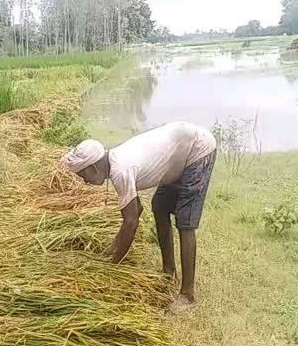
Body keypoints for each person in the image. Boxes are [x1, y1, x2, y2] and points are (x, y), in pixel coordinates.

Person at [62, 122, 217, 313]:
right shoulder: (115, 162)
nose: (84, 181)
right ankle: (169, 272)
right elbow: (137, 209)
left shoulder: (120, 170)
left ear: (93, 167)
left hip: (197, 150)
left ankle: (187, 295)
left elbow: (131, 221)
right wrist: (114, 245)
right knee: (159, 207)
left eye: (82, 174)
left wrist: (113, 263)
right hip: (177, 155)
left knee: (185, 221)